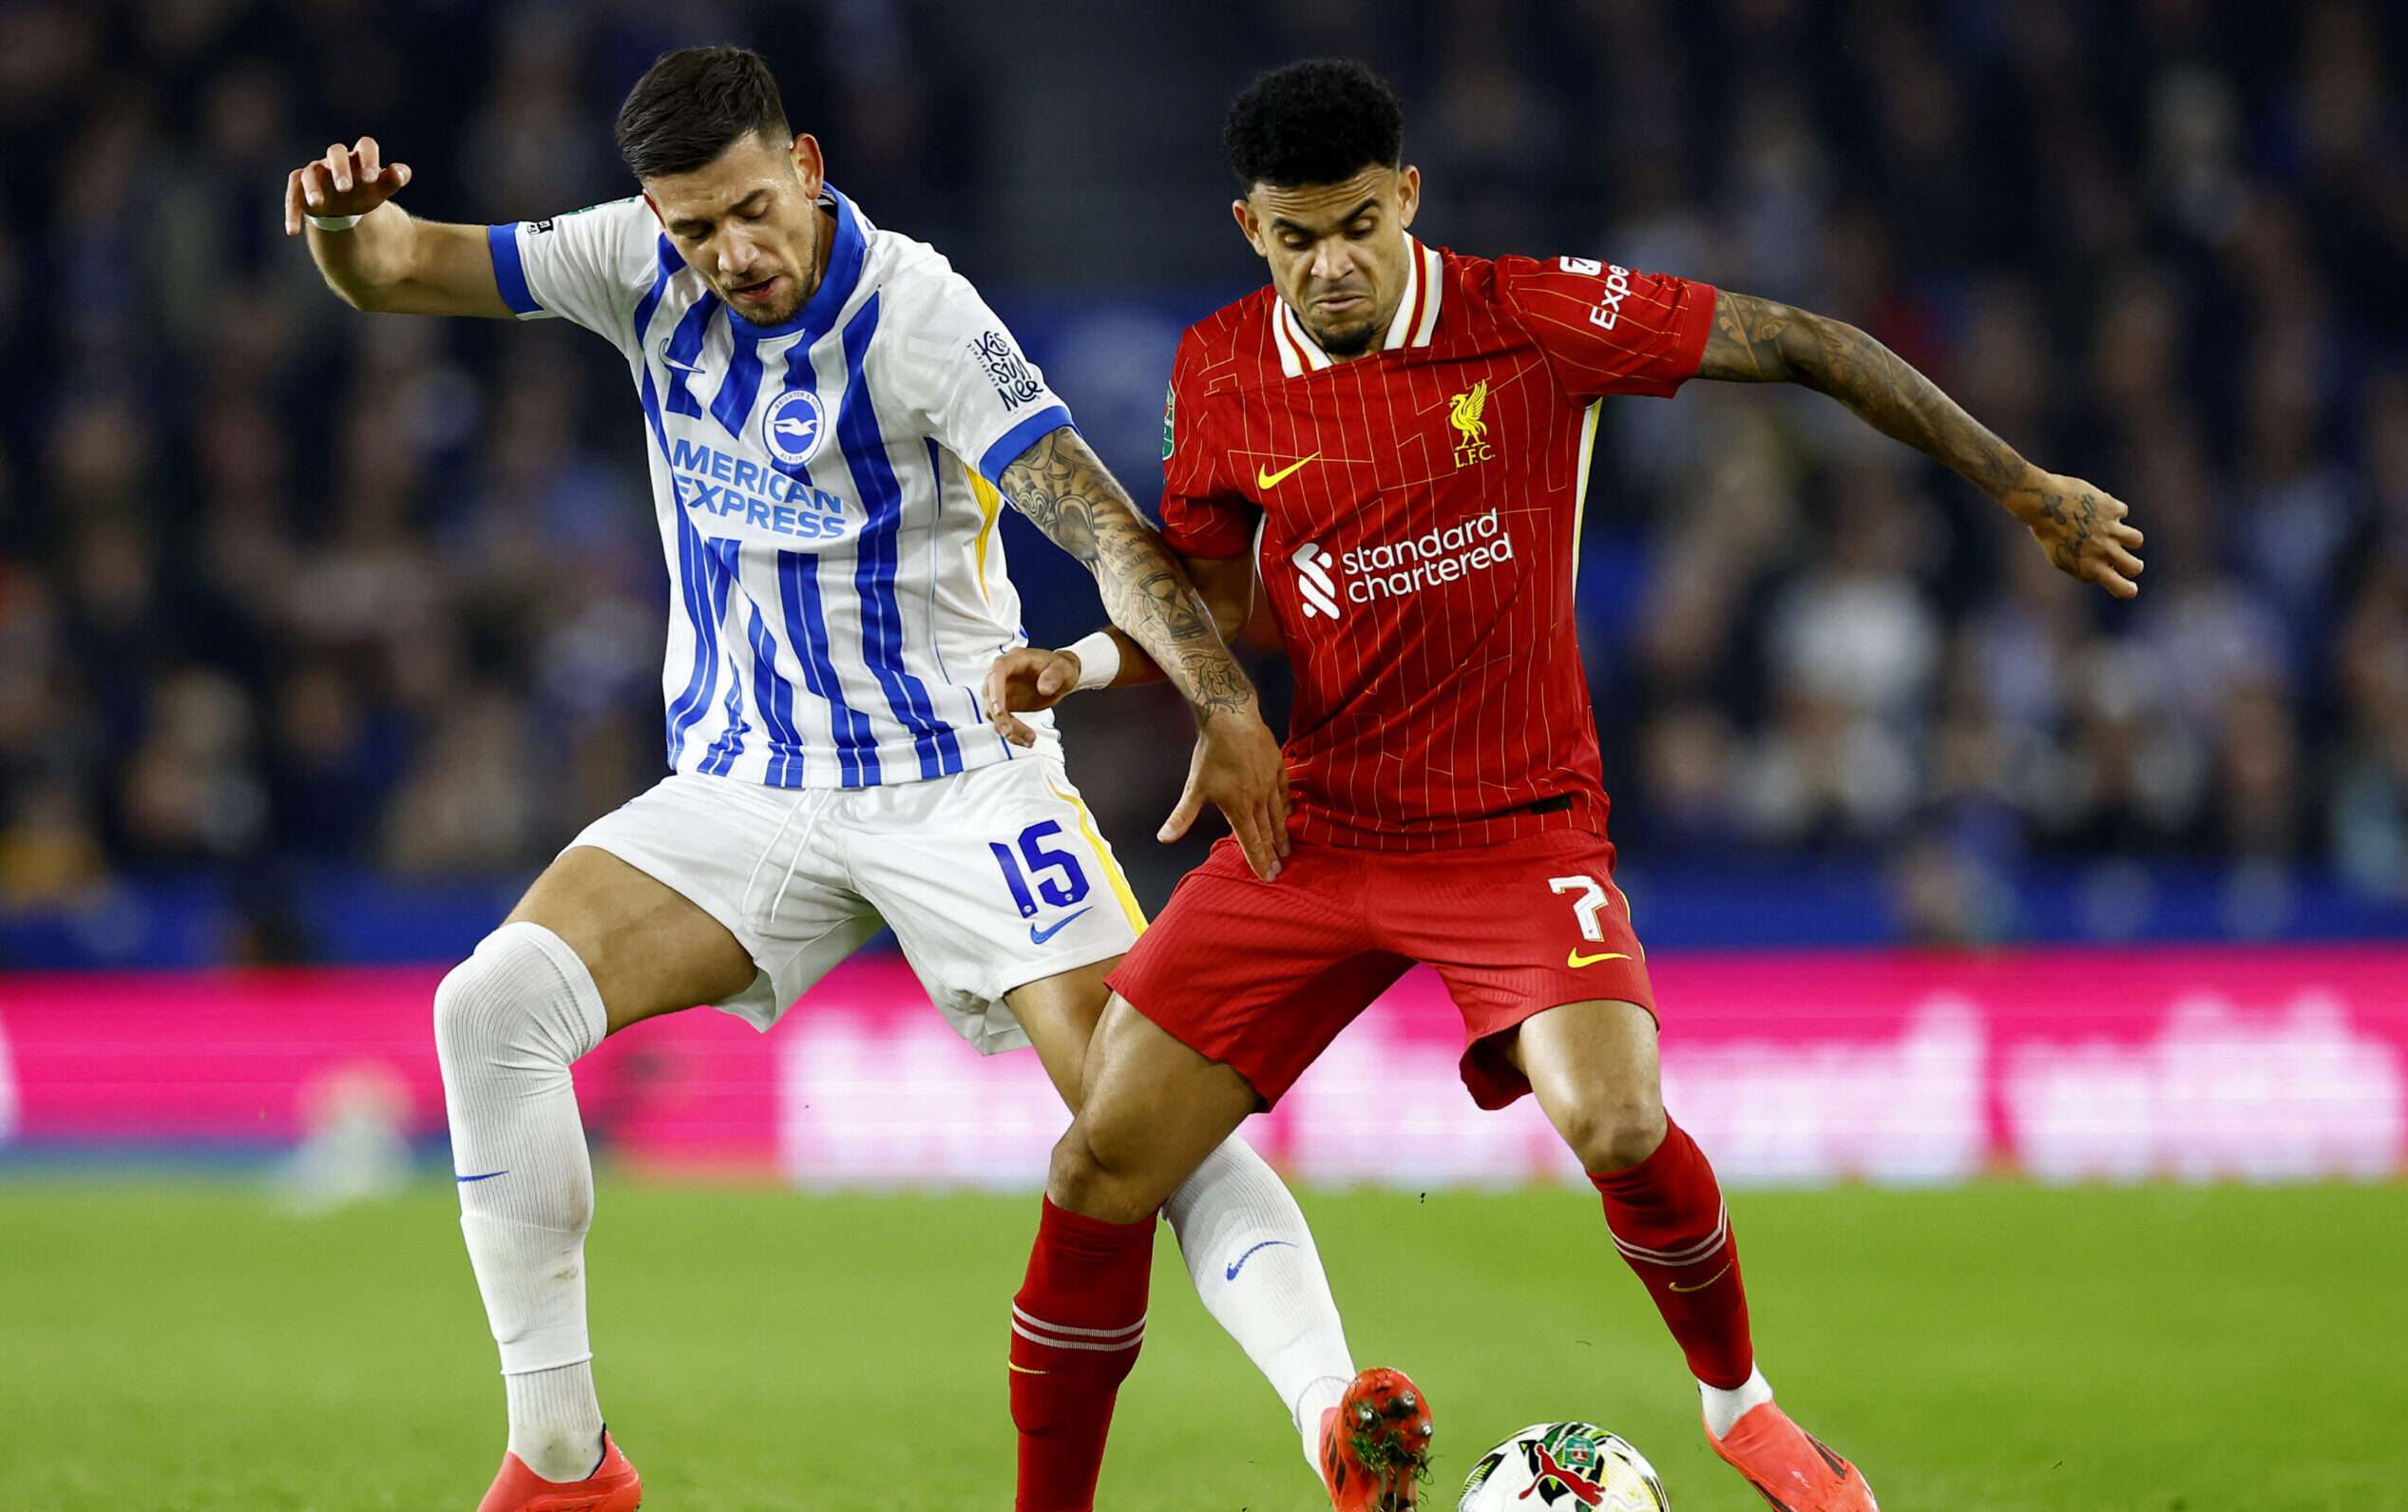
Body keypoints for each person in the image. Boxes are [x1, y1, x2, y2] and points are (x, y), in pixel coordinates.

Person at [984, 58, 2145, 1512]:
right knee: (1099, 1162)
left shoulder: (1527, 316)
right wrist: (1089, 666)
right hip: (1320, 832)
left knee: (1614, 1125)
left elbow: (1801, 339)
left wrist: (2023, 485)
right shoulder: (1219, 366)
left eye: (1357, 224)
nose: (1330, 264)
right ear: (1248, 229)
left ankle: (1743, 1409)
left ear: (1407, 196)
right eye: (1296, 238)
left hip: (1512, 833)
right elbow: (1220, 606)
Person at [283, 45, 1362, 1512]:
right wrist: (346, 229)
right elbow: (400, 268)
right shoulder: (630, 261)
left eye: (745, 212)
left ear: (804, 171)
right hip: (746, 786)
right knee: (491, 1008)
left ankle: (1335, 1413)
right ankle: (561, 1463)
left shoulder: (919, 314)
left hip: (955, 780)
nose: (726, 255)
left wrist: (1222, 698)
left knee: (1133, 1111)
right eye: (688, 229)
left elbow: (1104, 528)